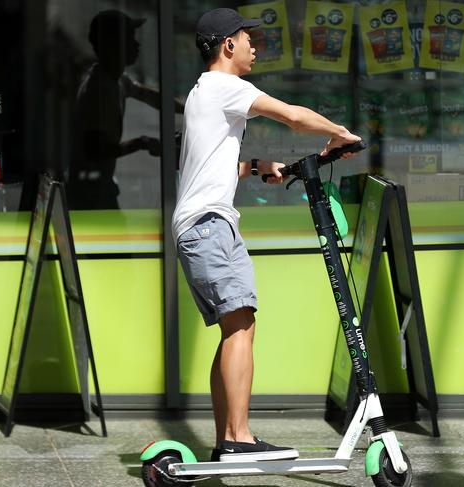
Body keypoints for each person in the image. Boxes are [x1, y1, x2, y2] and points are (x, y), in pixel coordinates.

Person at [172, 8, 361, 463]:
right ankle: (239, 439)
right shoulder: (225, 86)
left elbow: (208, 163)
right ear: (227, 45)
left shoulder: (203, 93)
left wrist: (258, 167)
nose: (256, 47)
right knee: (241, 325)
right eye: (247, 38)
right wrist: (338, 134)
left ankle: (228, 439)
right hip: (209, 226)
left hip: (201, 225)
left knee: (233, 328)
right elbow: (293, 117)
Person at [69, 9, 183, 209]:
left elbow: (150, 96)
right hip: (90, 193)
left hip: (101, 187)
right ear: (112, 45)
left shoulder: (117, 79)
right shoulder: (98, 90)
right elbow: (96, 150)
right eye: (130, 38)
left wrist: (191, 108)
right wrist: (143, 143)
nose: (136, 44)